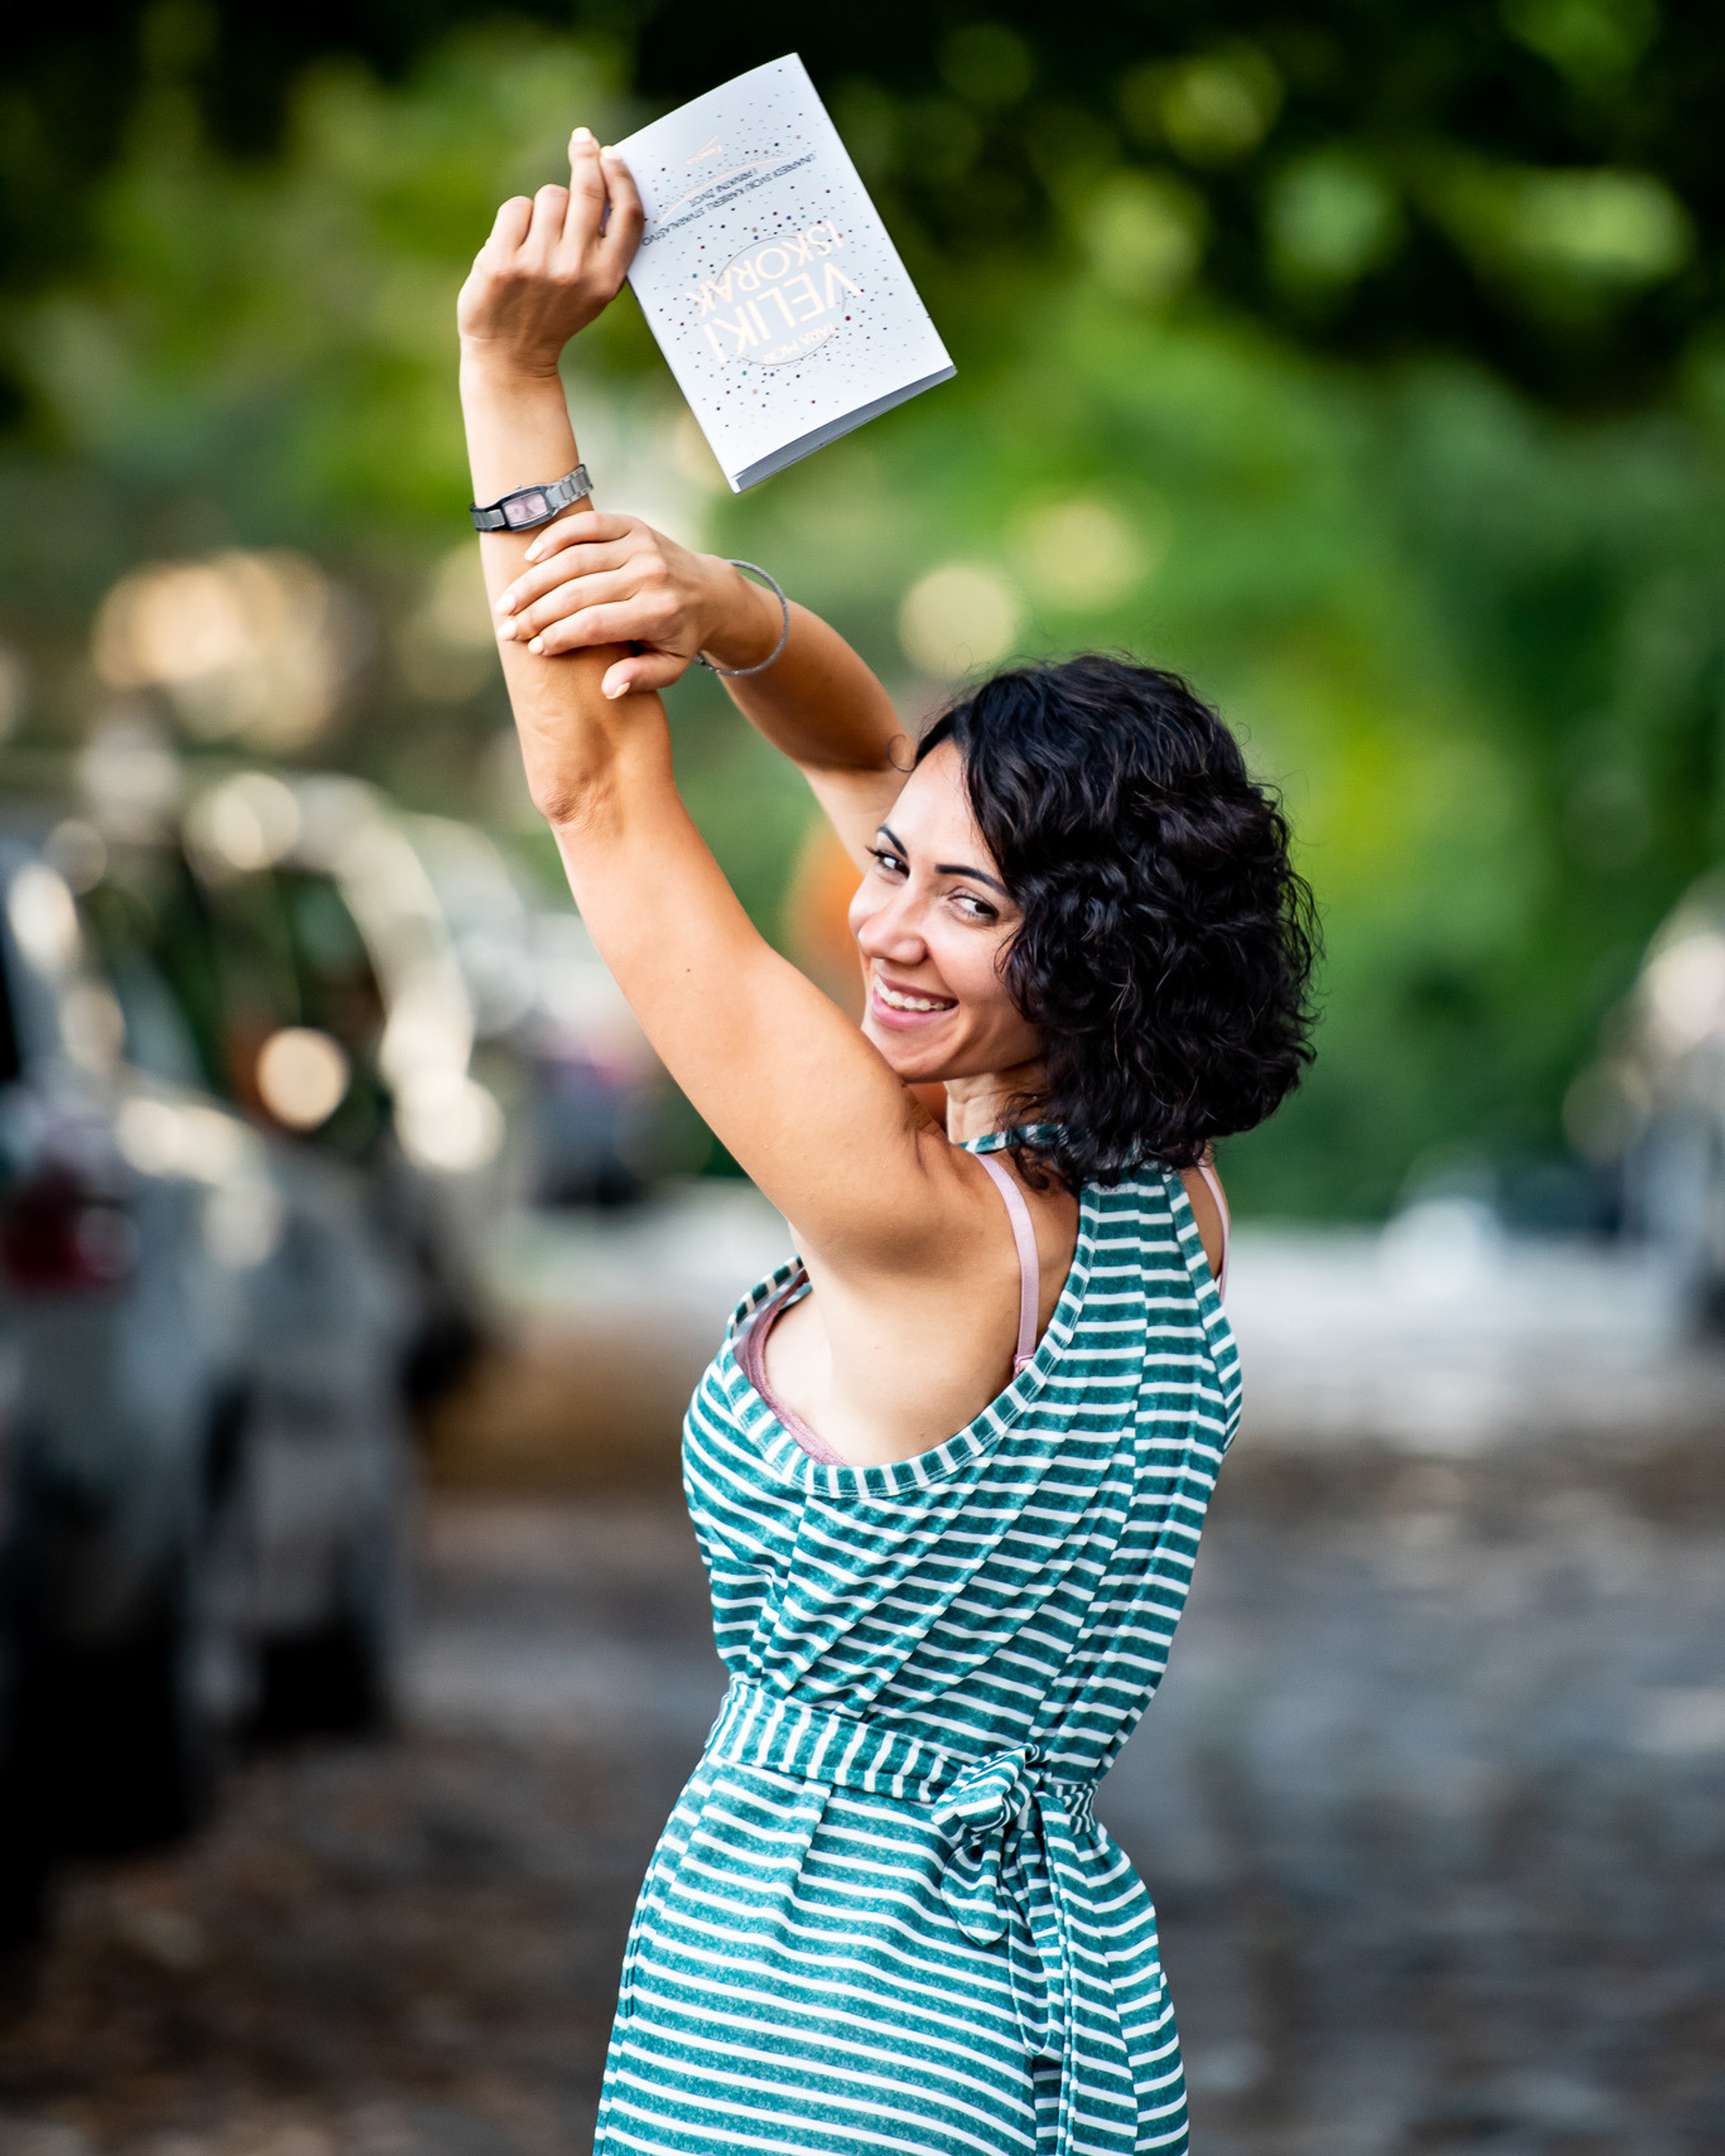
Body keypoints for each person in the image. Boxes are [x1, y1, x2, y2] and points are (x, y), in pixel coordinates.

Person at [457, 128, 1315, 2156]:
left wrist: (512, 381)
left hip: (824, 2032)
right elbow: (861, 753)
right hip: (1069, 2022)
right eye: (897, 873)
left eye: (967, 904)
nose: (883, 921)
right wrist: (731, 609)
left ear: (1081, 952)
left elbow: (599, 807)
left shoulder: (915, 1220)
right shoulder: (1163, 1201)